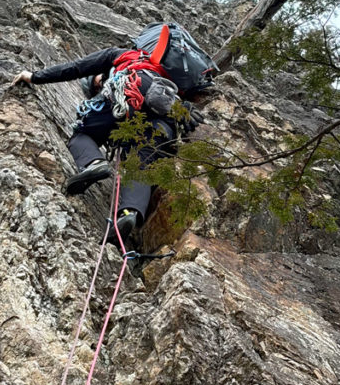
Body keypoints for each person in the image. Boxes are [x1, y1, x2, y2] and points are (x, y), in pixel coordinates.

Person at [13, 45, 204, 244]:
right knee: (140, 166)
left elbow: (76, 67)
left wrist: (34, 77)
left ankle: (94, 163)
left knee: (82, 134)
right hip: (163, 117)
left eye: (95, 85)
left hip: (127, 94)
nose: (98, 87)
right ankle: (129, 213)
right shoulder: (162, 73)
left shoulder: (118, 55)